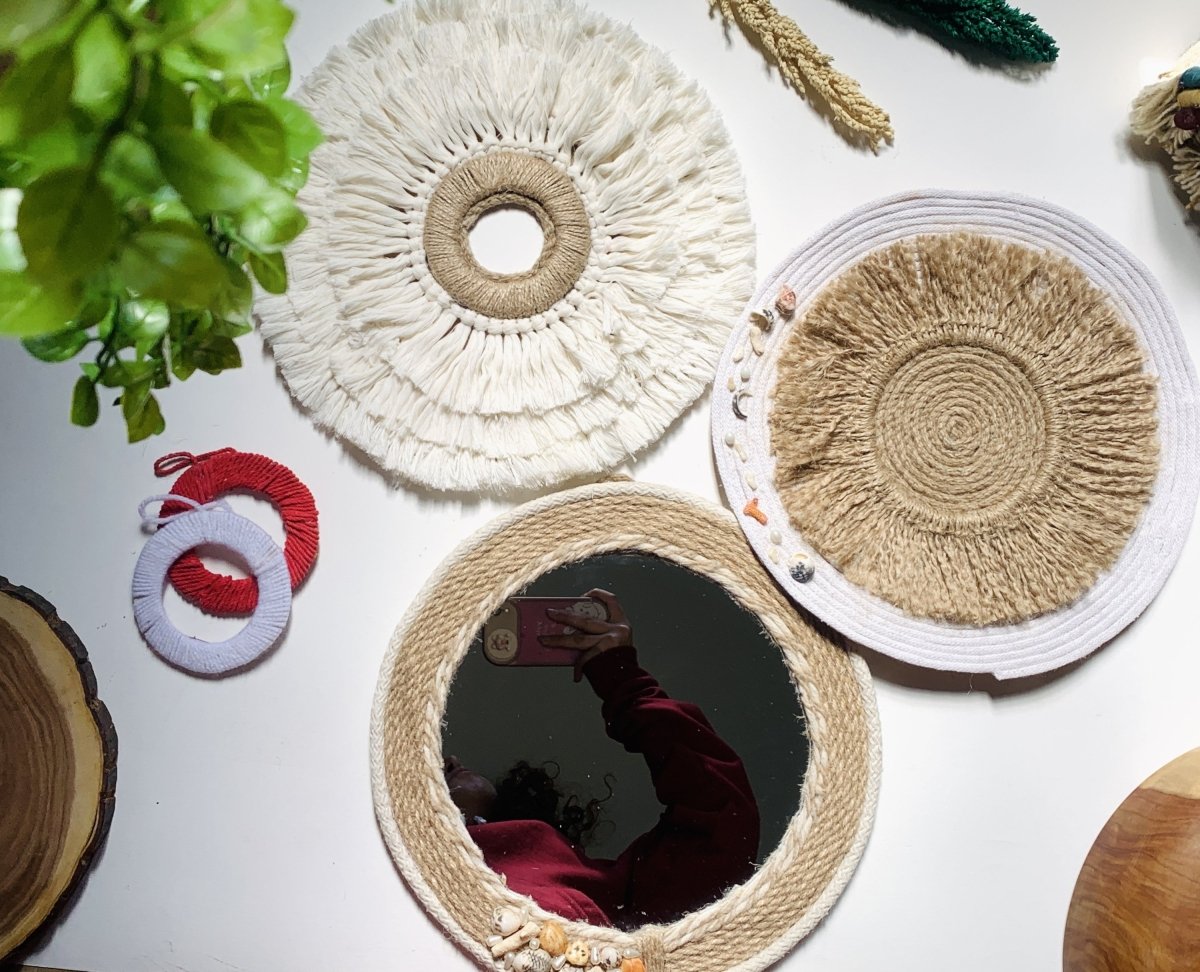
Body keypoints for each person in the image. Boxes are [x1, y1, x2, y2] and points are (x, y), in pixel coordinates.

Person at [443, 589, 760, 929]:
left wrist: (621, 678)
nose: (449, 761)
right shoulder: (408, 874)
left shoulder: (605, 892)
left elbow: (722, 818)